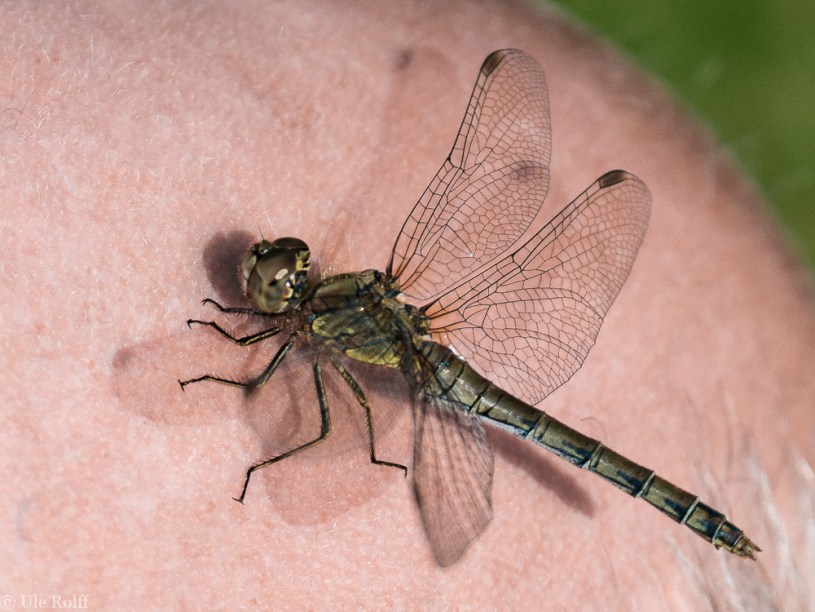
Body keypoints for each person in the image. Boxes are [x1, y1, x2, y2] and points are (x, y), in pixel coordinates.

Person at [3, 1, 812, 608]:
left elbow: (295, 398)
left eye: (278, 276)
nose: (270, 276)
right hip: (417, 349)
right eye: (273, 275)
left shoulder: (309, 332)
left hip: (436, 373)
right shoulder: (335, 308)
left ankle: (698, 517)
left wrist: (229, 369)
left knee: (327, 411)